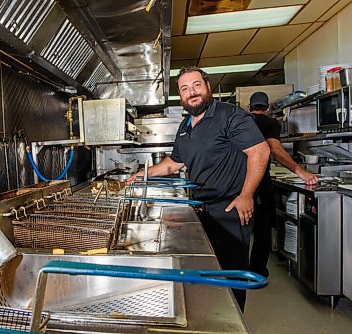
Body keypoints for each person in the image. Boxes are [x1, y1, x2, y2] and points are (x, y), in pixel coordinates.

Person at [127, 66, 270, 311]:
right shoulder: (185, 126)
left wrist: (246, 195)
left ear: (207, 87)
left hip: (230, 209)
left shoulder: (230, 115)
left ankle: (233, 322)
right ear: (180, 96)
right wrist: (143, 174)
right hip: (202, 209)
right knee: (209, 272)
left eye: (196, 85)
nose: (191, 92)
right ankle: (214, 314)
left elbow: (260, 151)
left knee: (232, 274)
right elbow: (174, 163)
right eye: (184, 88)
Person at [248, 91, 319, 277]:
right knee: (262, 227)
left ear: (249, 107)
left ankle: (237, 270)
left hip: (239, 182)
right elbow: (275, 149)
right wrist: (300, 171)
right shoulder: (271, 123)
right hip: (260, 181)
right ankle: (257, 270)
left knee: (242, 225)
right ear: (268, 108)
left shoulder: (243, 120)